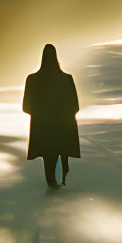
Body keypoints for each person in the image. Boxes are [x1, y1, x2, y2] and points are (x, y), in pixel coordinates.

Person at [22, 43, 81, 187]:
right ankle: (63, 174)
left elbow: (26, 107)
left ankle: (51, 180)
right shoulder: (67, 79)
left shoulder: (32, 79)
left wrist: (40, 114)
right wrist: (64, 115)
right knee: (61, 149)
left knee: (48, 153)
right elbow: (75, 105)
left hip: (42, 126)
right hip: (63, 124)